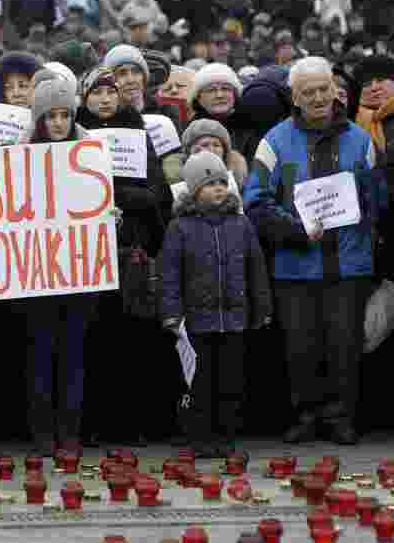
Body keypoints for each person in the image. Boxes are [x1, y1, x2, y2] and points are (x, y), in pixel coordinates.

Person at [243, 56, 382, 446]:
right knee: (300, 347)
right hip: (294, 266)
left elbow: (376, 203)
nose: (319, 97)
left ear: (336, 90)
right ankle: (304, 414)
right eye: (309, 92)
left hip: (348, 263)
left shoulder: (360, 140)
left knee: (344, 345)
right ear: (295, 97)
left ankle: (341, 417)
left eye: (324, 89)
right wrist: (293, 230)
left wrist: (365, 243)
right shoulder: (274, 142)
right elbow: (255, 202)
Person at [77, 66, 171, 446]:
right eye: (96, 92)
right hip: (88, 255)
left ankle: (134, 424)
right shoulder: (74, 133)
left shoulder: (137, 132)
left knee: (134, 340)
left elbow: (156, 193)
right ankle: (95, 423)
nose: (104, 99)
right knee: (95, 340)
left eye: (110, 92)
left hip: (131, 251)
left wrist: (114, 196)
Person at [159, 150, 272, 458]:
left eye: (222, 182)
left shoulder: (241, 224)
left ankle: (227, 436)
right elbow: (169, 273)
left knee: (231, 382)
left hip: (234, 320)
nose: (218, 189)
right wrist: (171, 313)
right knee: (199, 383)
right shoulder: (180, 227)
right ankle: (200, 437)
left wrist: (261, 307)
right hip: (196, 322)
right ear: (194, 189)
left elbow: (256, 268)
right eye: (210, 184)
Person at [18, 76, 91, 454]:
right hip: (38, 275)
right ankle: (43, 430)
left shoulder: (90, 156)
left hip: (78, 274)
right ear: (40, 119)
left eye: (65, 115)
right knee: (41, 355)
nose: (59, 123)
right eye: (51, 116)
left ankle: (71, 430)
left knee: (74, 355)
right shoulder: (20, 156)